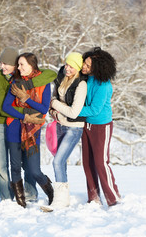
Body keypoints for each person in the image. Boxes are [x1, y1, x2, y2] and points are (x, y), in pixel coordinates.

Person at [0, 47, 57, 202]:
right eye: (18, 65)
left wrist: (26, 99)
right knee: (14, 166)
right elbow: (6, 106)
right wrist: (25, 116)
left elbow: (42, 108)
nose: (19, 68)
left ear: (31, 66)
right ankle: (20, 201)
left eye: (22, 65)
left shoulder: (43, 83)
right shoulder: (16, 82)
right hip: (14, 127)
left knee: (34, 169)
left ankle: (49, 189)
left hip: (33, 130)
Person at [44, 52, 87, 211]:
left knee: (57, 161)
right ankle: (63, 198)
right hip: (60, 124)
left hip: (74, 128)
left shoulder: (81, 84)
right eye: (67, 65)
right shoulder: (62, 77)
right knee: (59, 161)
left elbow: (74, 112)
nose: (67, 68)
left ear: (78, 68)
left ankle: (60, 200)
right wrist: (53, 109)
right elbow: (53, 99)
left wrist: (54, 104)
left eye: (71, 66)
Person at [78, 47, 121, 206]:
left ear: (98, 67)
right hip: (86, 125)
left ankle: (113, 198)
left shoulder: (104, 85)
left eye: (88, 66)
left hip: (101, 126)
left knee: (101, 162)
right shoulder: (87, 79)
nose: (84, 68)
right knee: (87, 162)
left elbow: (94, 109)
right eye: (85, 64)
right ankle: (93, 197)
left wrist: (73, 111)